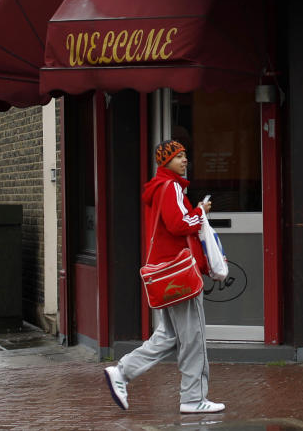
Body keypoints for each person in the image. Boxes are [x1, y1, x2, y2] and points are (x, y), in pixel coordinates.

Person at [103, 140, 225, 414]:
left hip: (165, 272)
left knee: (168, 335)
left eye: (185, 155)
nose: (184, 160)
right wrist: (200, 212)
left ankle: (121, 372)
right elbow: (179, 224)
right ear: (165, 161)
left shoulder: (159, 188)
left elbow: (170, 226)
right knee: (193, 337)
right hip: (179, 273)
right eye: (178, 156)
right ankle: (194, 398)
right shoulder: (171, 187)